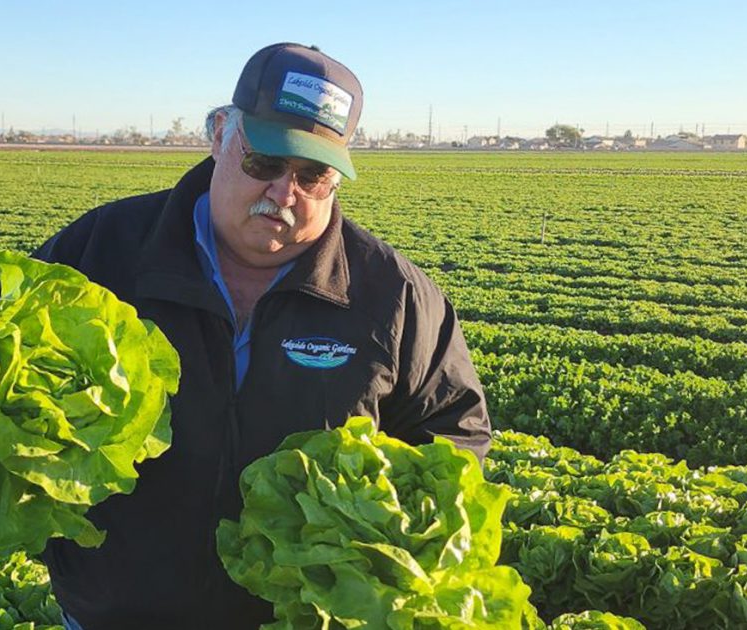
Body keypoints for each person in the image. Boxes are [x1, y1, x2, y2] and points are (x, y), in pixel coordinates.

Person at [28, 42, 492, 630]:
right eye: (265, 161)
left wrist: (379, 541)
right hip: (114, 612)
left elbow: (452, 433)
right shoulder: (102, 252)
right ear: (220, 133)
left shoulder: (393, 295)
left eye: (312, 173)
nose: (283, 192)